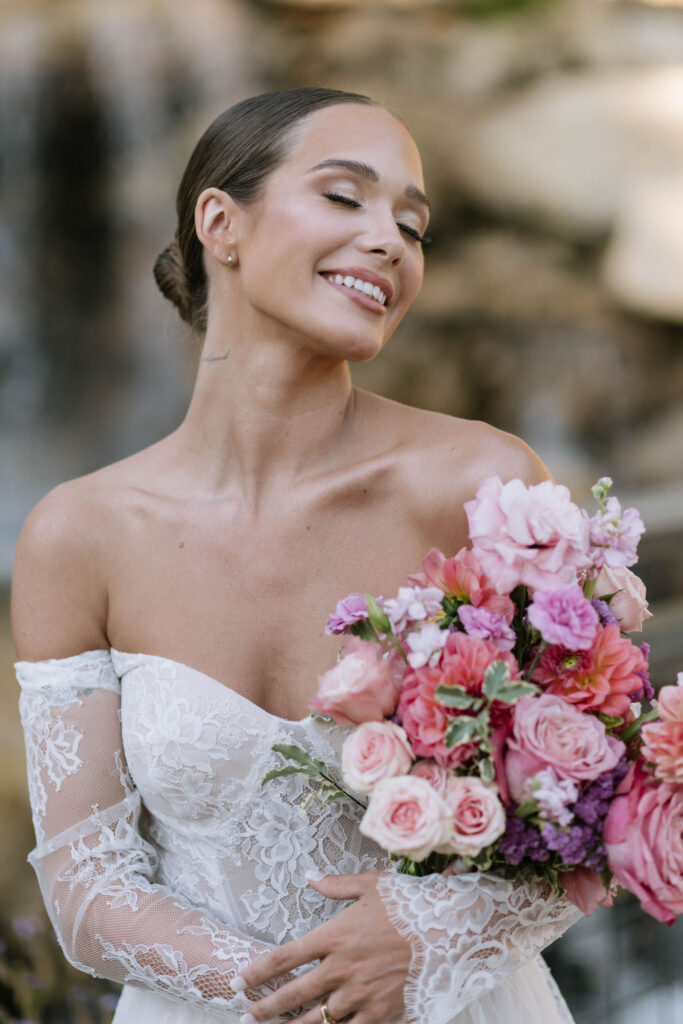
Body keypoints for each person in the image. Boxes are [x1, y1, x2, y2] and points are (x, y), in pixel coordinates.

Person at [12, 88, 581, 1024]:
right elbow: (85, 888)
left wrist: (429, 931)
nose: (391, 241)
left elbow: (598, 802)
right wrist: (296, 993)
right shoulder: (78, 536)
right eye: (345, 197)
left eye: (412, 222)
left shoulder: (484, 487)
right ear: (219, 223)